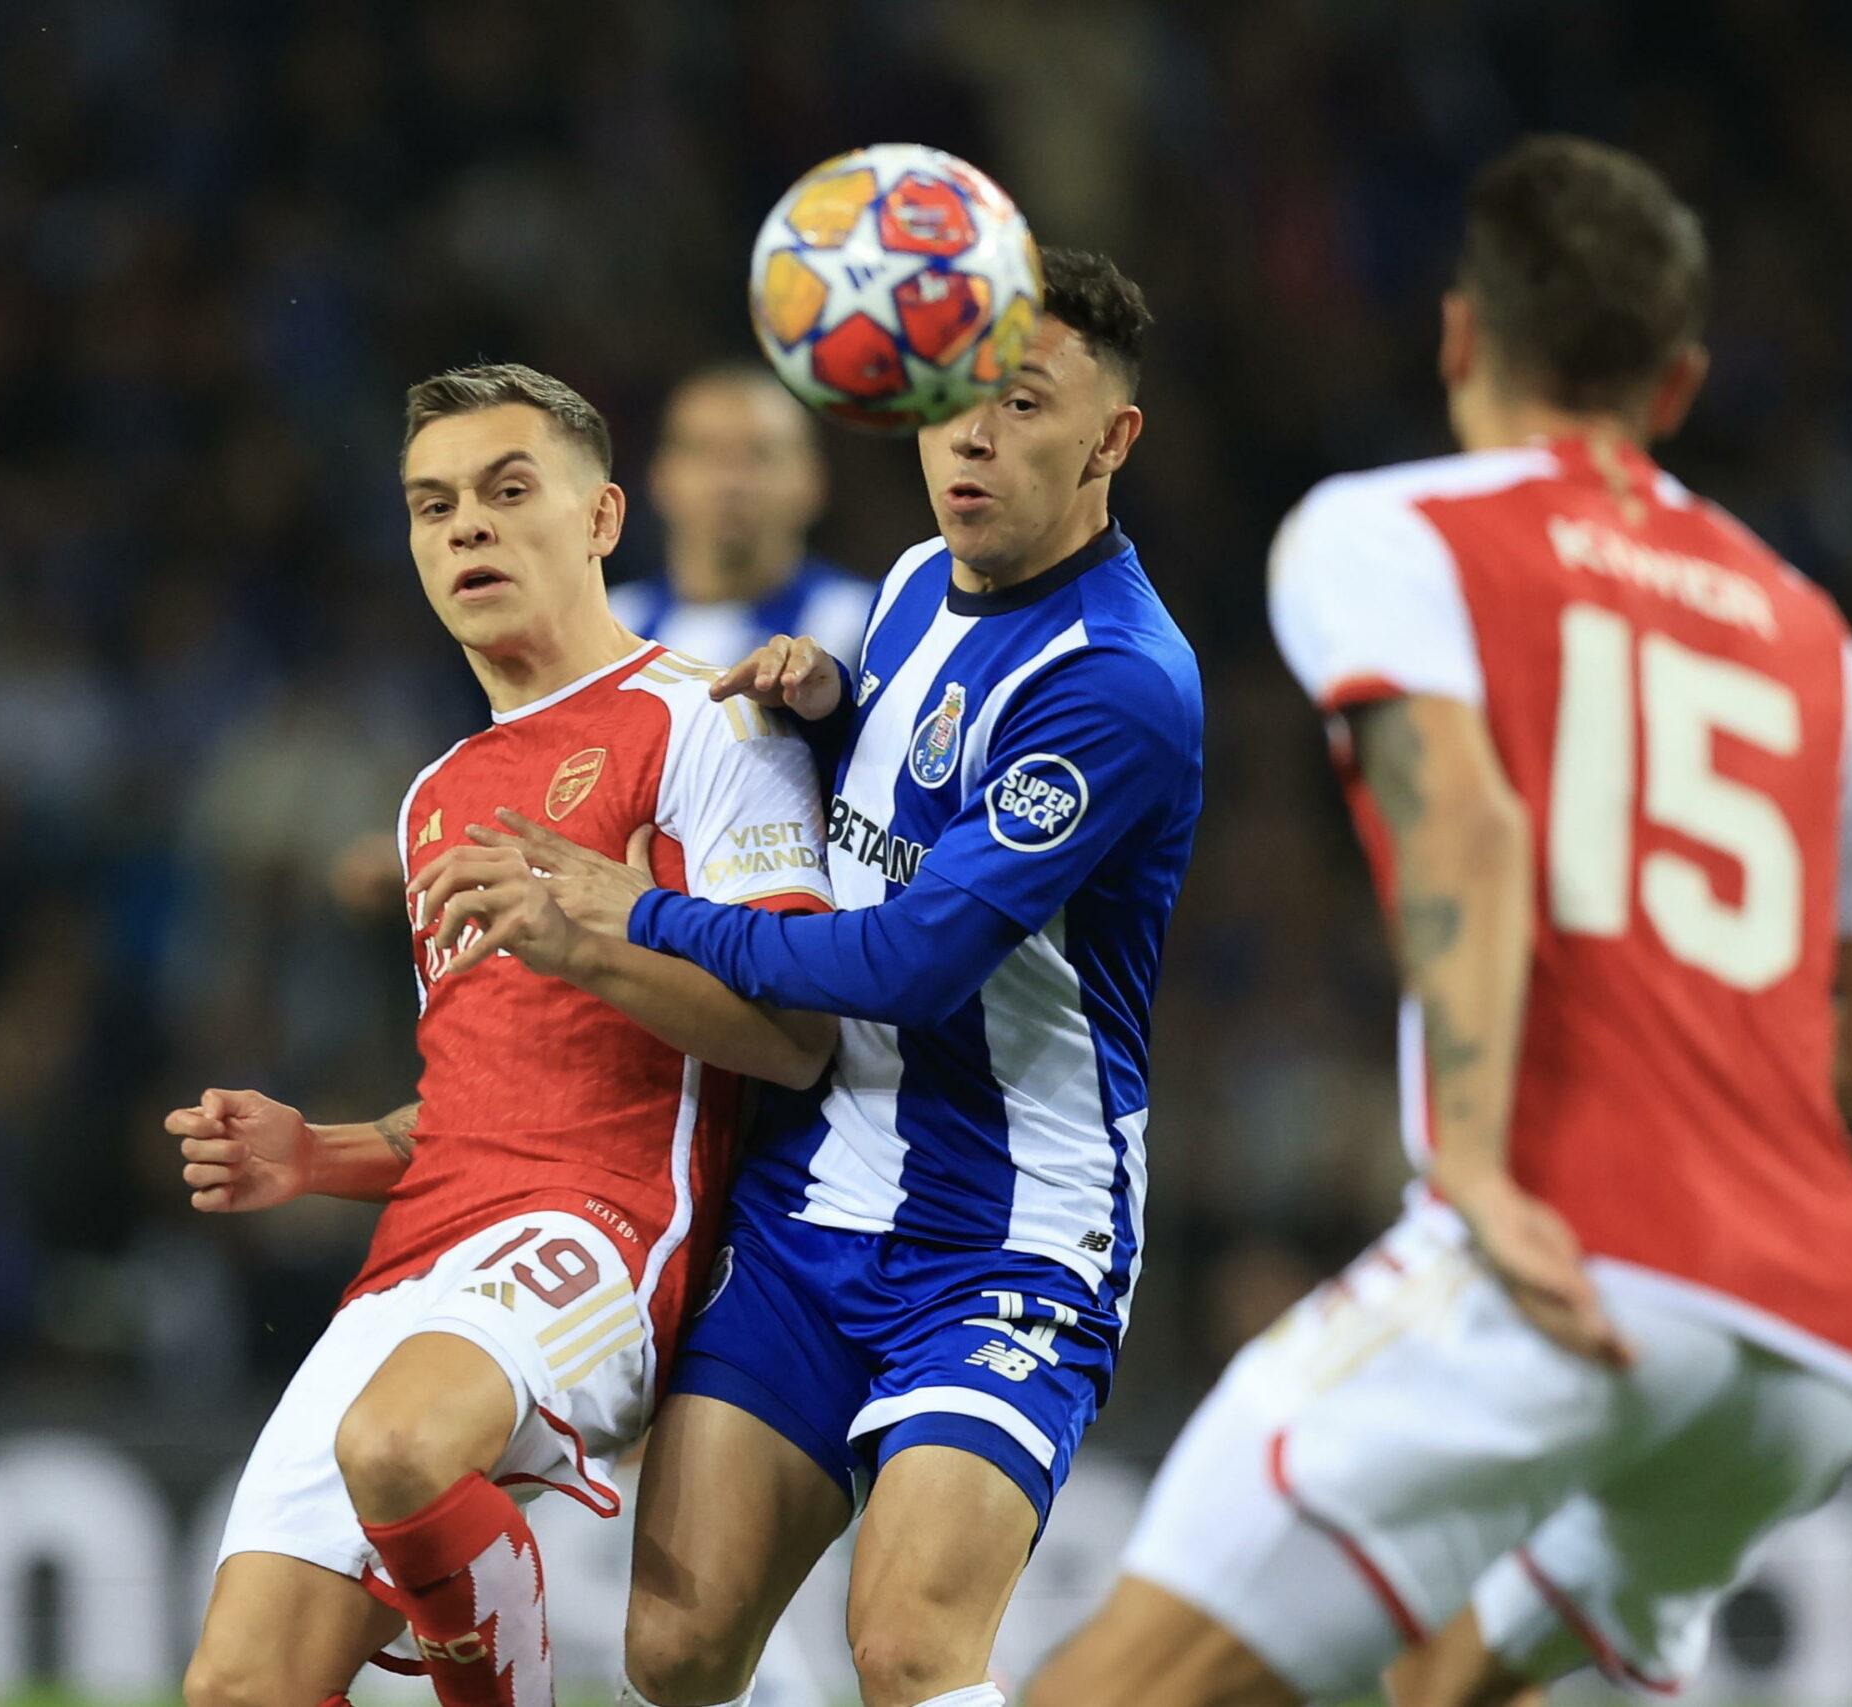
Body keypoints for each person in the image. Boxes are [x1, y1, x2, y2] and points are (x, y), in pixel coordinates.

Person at [1023, 136, 1852, 1707]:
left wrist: (1470, 1155)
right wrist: (1723, 1121)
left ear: (1461, 334)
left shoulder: (1393, 531)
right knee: (1447, 1682)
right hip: (1817, 1327)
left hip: (1568, 1247)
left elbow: (1463, 814)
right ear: (1677, 386)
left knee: (1114, 1685)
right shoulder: (1802, 623)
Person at [492, 248, 1200, 1707]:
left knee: (911, 1650)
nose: (974, 438)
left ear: (1111, 439)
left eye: (1022, 403)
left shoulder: (1119, 679)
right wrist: (835, 712)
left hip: (1009, 1231)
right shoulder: (906, 587)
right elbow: (900, 809)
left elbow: (913, 959)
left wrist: (656, 920)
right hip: (818, 1198)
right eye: (951, 401)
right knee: (676, 1649)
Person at [177, 363, 837, 1707]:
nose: (465, 527)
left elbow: (798, 1035)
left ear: (602, 518)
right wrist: (321, 1151)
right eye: (433, 505)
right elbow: (488, 1089)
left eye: (506, 490)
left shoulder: (706, 720)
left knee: (402, 1446)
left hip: (599, 1226)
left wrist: (582, 934)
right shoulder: (438, 792)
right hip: (425, 1247)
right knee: (238, 1682)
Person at [609, 362, 876, 668]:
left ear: (812, 481)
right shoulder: (609, 626)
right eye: (704, 453)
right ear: (660, 477)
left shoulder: (864, 628)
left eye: (760, 455)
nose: (731, 481)